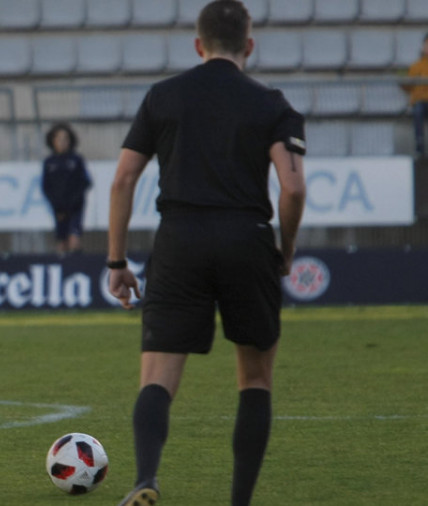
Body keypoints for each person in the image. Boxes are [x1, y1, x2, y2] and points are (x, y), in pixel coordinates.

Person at [106, 2, 307, 505]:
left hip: (180, 239)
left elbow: (124, 178)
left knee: (157, 376)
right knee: (255, 378)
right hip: (247, 237)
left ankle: (146, 479)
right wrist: (284, 250)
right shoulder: (272, 104)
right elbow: (293, 188)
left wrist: (116, 261)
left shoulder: (164, 96)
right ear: (249, 46)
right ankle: (239, 501)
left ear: (199, 45)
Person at [41, 122, 92, 254]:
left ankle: (77, 266)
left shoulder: (76, 160)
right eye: (59, 139)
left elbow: (86, 182)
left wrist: (74, 200)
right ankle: (64, 269)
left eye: (65, 139)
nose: (62, 142)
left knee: (74, 240)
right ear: (53, 141)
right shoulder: (49, 163)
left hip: (75, 207)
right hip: (59, 208)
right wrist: (57, 205)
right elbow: (46, 187)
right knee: (61, 242)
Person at [401, 33, 428, 158]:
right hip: (421, 101)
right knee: (417, 111)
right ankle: (419, 145)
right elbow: (408, 86)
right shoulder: (415, 66)